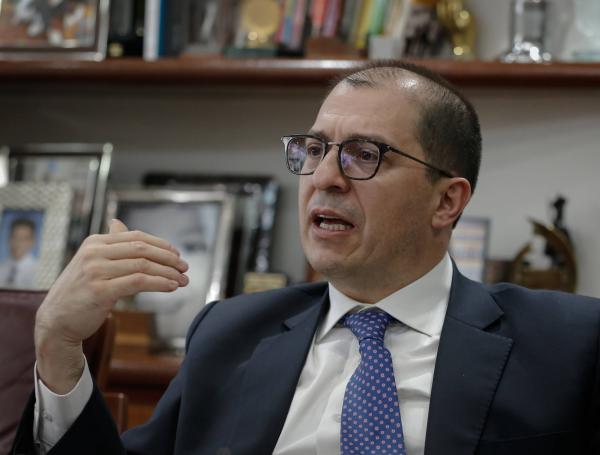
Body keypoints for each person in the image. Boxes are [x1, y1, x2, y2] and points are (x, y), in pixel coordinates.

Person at [12, 61, 600, 455]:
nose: (323, 178)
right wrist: (58, 348)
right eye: (314, 149)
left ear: (447, 201)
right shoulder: (231, 334)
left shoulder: (569, 344)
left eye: (364, 155)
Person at [0, 217, 39, 288]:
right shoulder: (2, 267)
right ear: (8, 239)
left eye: (23, 239)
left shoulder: (38, 270)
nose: (18, 243)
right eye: (14, 237)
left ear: (32, 242)